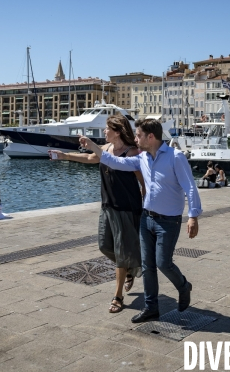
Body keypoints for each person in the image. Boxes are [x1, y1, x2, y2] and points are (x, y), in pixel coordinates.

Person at [79, 118, 202, 323]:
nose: (135, 138)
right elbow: (115, 162)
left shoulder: (175, 157)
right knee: (147, 266)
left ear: (150, 137)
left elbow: (190, 187)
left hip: (168, 221)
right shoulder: (142, 157)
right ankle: (151, 307)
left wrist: (193, 216)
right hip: (147, 219)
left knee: (163, 263)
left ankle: (183, 286)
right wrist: (92, 146)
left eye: (138, 135)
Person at [49, 114, 145, 313]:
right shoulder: (107, 149)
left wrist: (145, 207)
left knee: (120, 253)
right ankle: (128, 269)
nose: (104, 131)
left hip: (126, 209)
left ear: (117, 131)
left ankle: (118, 296)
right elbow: (91, 157)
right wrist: (65, 156)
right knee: (103, 246)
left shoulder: (132, 152)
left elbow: (143, 182)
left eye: (107, 128)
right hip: (107, 206)